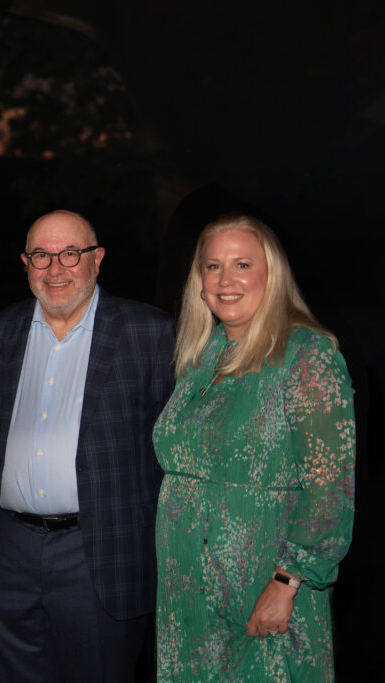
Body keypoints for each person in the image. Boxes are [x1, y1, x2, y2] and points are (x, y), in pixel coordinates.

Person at [0, 210, 175, 682]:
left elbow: (173, 455)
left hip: (100, 553)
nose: (55, 268)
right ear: (25, 262)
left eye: (70, 253)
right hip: (6, 555)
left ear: (97, 259)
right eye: (41, 255)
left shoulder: (150, 333)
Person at [152, 214, 355, 681]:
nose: (226, 280)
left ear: (272, 276)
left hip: (262, 586)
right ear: (199, 282)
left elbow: (330, 491)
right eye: (213, 266)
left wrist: (286, 583)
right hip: (187, 597)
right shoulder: (200, 357)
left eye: (242, 264)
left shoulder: (307, 354)